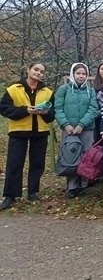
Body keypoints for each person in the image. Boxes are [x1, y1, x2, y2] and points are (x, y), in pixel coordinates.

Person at [0, 63, 55, 210]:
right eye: (36, 70)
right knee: (14, 163)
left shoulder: (48, 92)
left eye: (42, 71)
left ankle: (33, 192)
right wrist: (25, 111)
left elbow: (51, 116)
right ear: (28, 70)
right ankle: (10, 196)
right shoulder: (13, 89)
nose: (38, 73)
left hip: (40, 131)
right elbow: (4, 109)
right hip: (18, 131)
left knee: (37, 163)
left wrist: (45, 113)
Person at [54, 63, 99, 198]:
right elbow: (58, 108)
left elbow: (93, 109)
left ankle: (83, 184)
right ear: (73, 74)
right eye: (78, 73)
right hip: (69, 130)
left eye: (83, 74)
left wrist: (81, 124)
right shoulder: (64, 89)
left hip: (86, 129)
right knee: (71, 156)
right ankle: (72, 186)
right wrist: (66, 124)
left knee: (85, 156)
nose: (81, 76)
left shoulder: (90, 91)